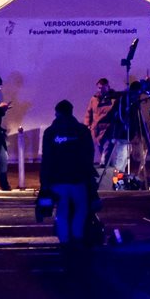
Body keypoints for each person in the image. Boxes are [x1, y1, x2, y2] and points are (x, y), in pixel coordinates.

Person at [40, 99, 97, 247]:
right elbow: (88, 156)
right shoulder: (82, 131)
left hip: (57, 179)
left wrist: (44, 183)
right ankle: (77, 236)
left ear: (57, 113)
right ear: (71, 112)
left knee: (62, 210)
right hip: (78, 178)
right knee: (81, 208)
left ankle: (64, 240)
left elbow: (47, 159)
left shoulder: (50, 132)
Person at [84, 78, 119, 167]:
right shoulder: (94, 99)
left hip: (108, 128)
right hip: (95, 129)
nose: (101, 90)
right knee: (98, 149)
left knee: (106, 150)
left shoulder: (114, 99)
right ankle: (99, 167)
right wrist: (87, 125)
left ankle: (104, 166)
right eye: (99, 88)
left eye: (103, 88)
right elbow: (89, 112)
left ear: (108, 87)